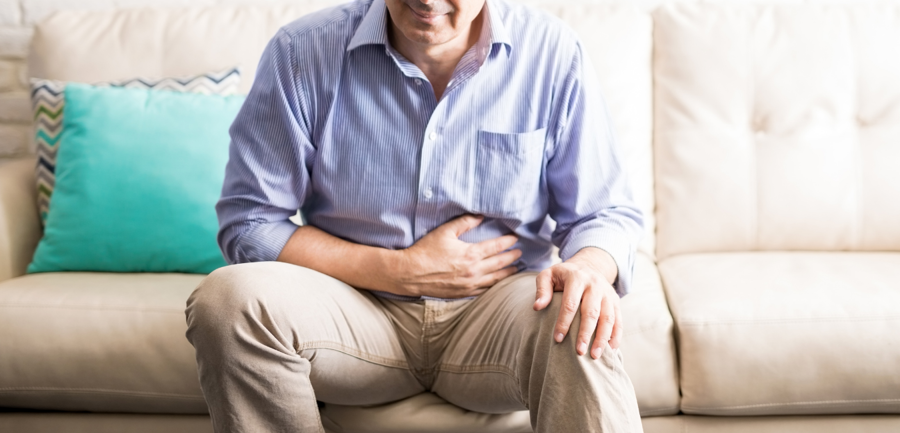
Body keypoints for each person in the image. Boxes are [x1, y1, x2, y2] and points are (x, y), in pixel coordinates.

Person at [185, 0, 644, 431]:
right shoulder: (301, 51)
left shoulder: (552, 53)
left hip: (497, 314)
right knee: (227, 300)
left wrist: (588, 268)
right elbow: (249, 222)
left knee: (584, 310)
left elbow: (605, 213)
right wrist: (399, 271)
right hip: (354, 309)